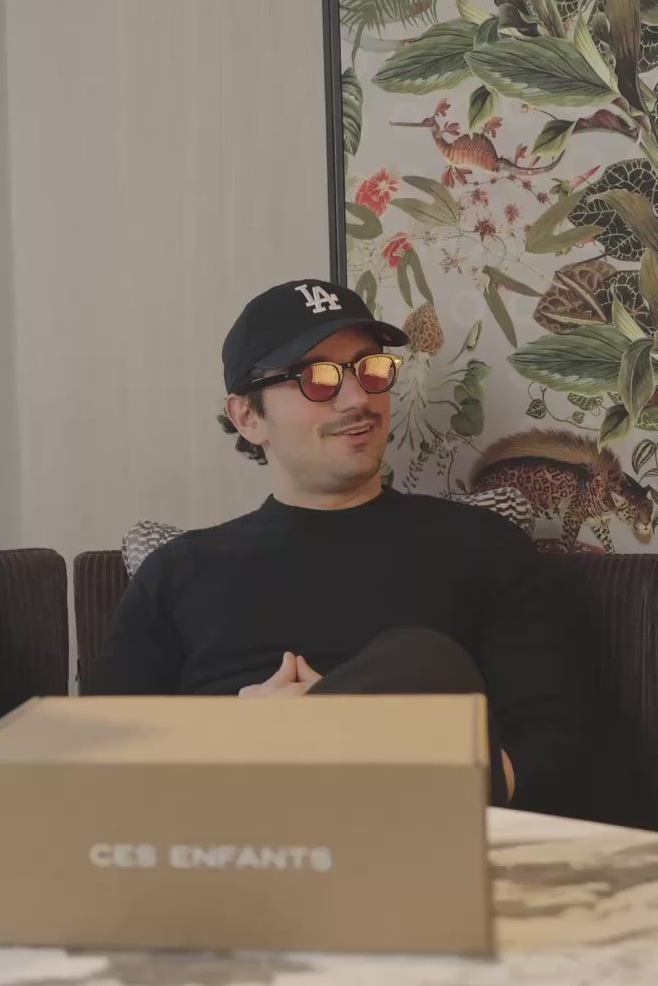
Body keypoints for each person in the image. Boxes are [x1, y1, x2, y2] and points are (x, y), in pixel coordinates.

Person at [82, 278, 588, 813]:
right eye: (317, 378)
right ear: (249, 416)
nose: (359, 398)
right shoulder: (180, 570)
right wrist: (237, 732)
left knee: (424, 663)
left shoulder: (481, 544)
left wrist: (355, 734)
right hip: (231, 833)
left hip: (413, 829)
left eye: (370, 369)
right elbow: (91, 756)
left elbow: (558, 754)